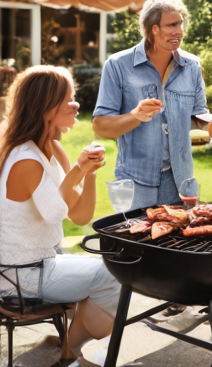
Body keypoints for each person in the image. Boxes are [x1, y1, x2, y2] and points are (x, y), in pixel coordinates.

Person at [0, 65, 120, 364]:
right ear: (47, 108)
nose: (76, 103)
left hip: (44, 261)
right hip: (21, 275)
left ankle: (70, 341)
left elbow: (79, 216)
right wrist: (79, 169)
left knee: (115, 272)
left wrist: (89, 173)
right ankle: (70, 348)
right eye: (69, 98)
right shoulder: (24, 159)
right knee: (114, 278)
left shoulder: (52, 148)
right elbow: (56, 212)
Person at [93, 0, 207, 209]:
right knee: (136, 240)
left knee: (179, 243)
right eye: (171, 25)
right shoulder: (118, 65)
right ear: (154, 29)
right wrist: (135, 116)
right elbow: (100, 126)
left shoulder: (192, 66)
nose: (179, 31)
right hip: (136, 183)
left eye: (180, 24)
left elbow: (200, 121)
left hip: (181, 184)